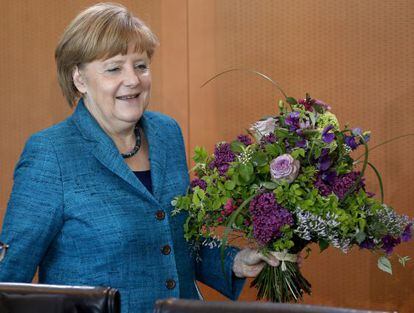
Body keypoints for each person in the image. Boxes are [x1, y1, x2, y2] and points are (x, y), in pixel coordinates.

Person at [0, 3, 281, 313]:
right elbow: (10, 280)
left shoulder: (166, 132)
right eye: (114, 68)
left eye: (141, 65)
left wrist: (235, 261)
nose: (133, 80)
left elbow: (173, 238)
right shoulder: (50, 153)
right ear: (79, 78)